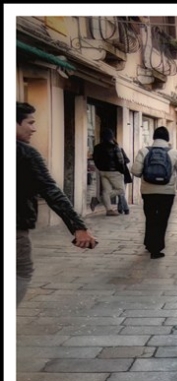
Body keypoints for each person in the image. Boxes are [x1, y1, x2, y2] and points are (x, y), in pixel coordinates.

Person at [17, 101, 98, 304]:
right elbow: (50, 190)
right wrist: (78, 227)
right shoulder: (25, 153)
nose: (34, 128)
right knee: (20, 272)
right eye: (30, 122)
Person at [131, 126, 177, 259]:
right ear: (167, 138)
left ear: (154, 137)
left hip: (148, 191)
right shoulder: (174, 153)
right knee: (162, 220)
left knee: (150, 218)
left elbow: (135, 171)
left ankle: (148, 243)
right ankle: (156, 249)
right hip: (167, 192)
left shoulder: (144, 151)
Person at [91, 127, 128, 216]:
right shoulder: (115, 147)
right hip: (114, 172)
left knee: (106, 191)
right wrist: (121, 171)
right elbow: (121, 160)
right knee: (121, 190)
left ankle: (109, 210)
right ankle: (98, 200)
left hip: (102, 171)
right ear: (112, 136)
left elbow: (95, 159)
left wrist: (100, 168)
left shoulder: (97, 147)